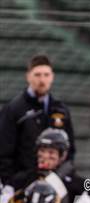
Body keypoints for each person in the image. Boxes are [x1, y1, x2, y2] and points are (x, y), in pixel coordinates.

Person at [0, 54, 75, 189]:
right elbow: (4, 152)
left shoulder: (61, 110)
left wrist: (58, 177)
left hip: (56, 185)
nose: (42, 80)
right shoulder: (14, 109)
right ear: (28, 76)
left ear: (52, 77)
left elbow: (70, 151)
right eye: (37, 75)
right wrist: (11, 183)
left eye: (46, 75)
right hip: (23, 185)